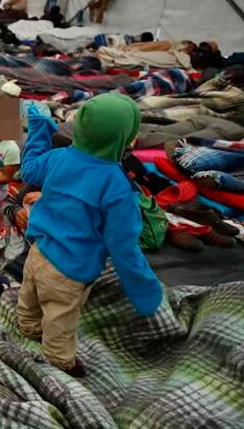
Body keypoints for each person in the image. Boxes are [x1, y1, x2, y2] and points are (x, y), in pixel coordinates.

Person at [17, 94, 162, 377]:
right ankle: (59, 363)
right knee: (60, 317)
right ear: (123, 140)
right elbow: (124, 249)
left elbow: (29, 168)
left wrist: (39, 128)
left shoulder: (58, 157)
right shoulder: (118, 188)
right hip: (69, 271)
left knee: (30, 295)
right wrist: (145, 290)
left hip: (37, 252)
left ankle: (29, 327)